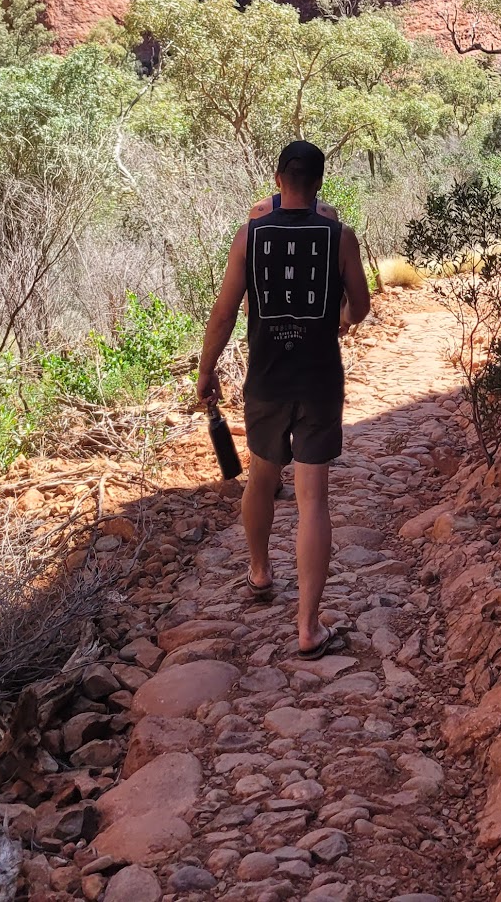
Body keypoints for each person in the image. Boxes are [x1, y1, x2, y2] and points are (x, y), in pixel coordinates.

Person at [195, 138, 371, 656]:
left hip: (267, 380)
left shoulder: (250, 235)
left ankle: (259, 571)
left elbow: (225, 313)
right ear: (319, 184)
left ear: (277, 181)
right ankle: (308, 627)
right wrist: (339, 319)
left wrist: (205, 371)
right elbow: (360, 307)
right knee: (313, 498)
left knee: (261, 476)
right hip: (318, 380)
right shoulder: (340, 236)